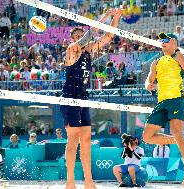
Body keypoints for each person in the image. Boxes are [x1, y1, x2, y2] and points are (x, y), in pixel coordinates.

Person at [60, 8, 122, 189]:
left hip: (83, 96)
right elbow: (91, 34)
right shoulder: (72, 50)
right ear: (74, 39)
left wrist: (116, 18)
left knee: (86, 139)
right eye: (79, 36)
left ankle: (89, 181)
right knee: (73, 139)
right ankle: (70, 182)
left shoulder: (88, 51)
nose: (84, 38)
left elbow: (108, 36)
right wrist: (104, 16)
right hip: (70, 96)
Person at [142, 32, 184, 186]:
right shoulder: (156, 62)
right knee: (147, 137)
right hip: (162, 101)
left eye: (165, 40)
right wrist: (148, 85)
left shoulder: (177, 56)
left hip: (176, 98)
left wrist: (176, 50)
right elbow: (149, 78)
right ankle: (183, 142)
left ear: (173, 42)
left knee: (176, 132)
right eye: (160, 40)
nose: (161, 42)